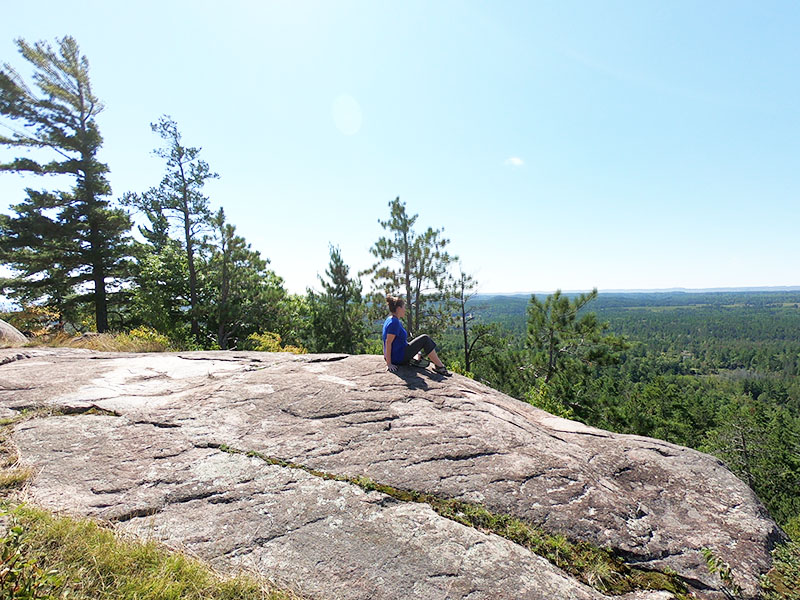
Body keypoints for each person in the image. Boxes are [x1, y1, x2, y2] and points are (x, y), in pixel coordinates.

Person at [382, 294, 449, 375]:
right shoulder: (394, 323)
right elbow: (388, 342)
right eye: (404, 307)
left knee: (418, 348)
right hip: (399, 357)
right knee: (425, 339)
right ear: (399, 308)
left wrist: (386, 356)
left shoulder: (390, 319)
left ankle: (414, 358)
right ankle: (440, 367)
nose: (405, 310)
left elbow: (386, 341)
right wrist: (389, 363)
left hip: (399, 354)